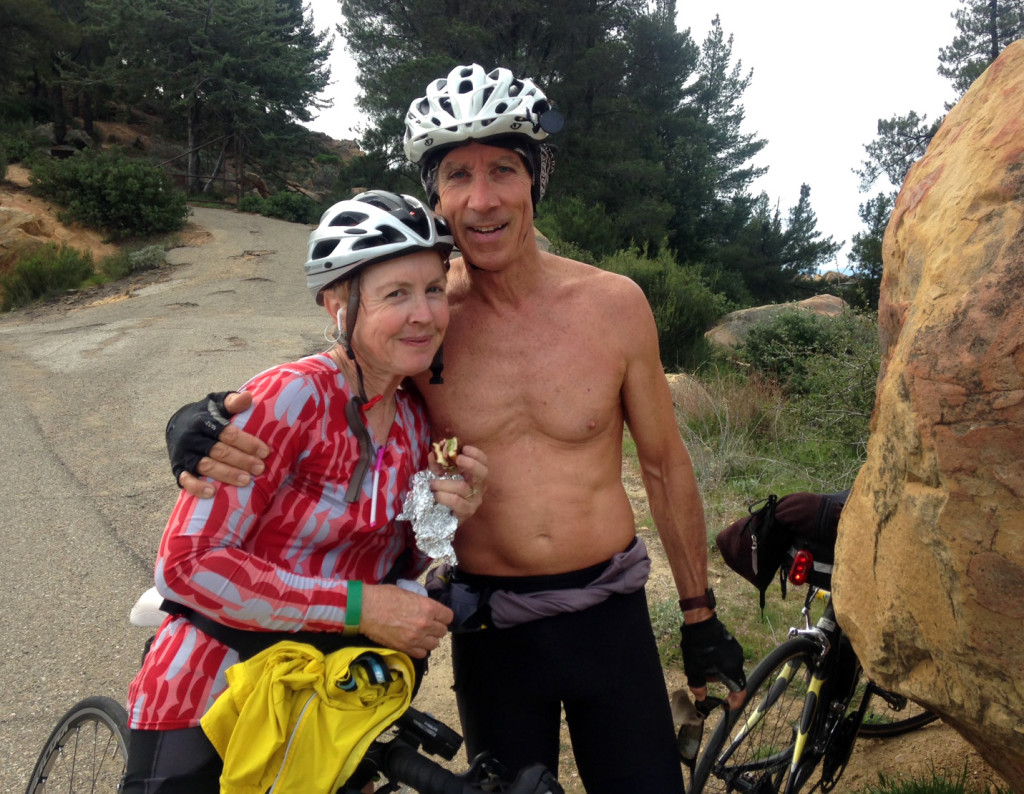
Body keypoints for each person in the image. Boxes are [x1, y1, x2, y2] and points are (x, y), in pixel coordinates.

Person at [167, 65, 745, 793]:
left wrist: (699, 616)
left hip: (611, 618)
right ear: (435, 197)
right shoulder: (429, 319)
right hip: (489, 628)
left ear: (537, 179)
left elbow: (664, 465)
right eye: (458, 176)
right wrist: (204, 418)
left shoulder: (614, 306)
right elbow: (336, 375)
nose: (482, 199)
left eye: (503, 168)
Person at [124, 190, 488, 793]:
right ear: (337, 303)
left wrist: (448, 515)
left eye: (433, 288)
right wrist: (361, 609)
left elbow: (388, 555)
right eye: (396, 293)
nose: (424, 313)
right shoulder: (289, 397)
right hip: (211, 692)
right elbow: (187, 564)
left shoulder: (416, 419)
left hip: (325, 705)